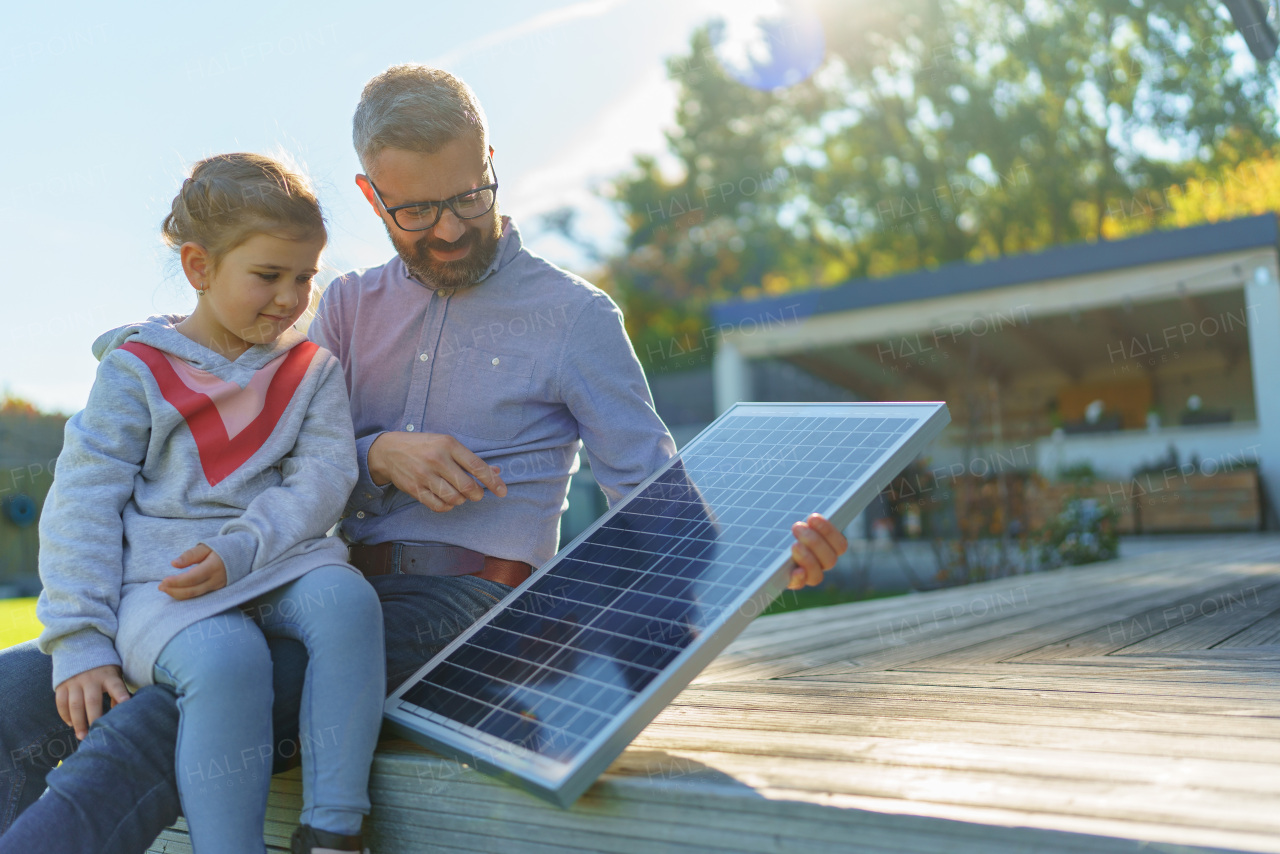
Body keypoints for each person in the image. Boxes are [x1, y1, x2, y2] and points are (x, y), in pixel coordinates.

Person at [0, 66, 849, 854]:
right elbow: (242, 405)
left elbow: (655, 497)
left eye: (468, 197)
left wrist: (766, 554)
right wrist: (379, 455)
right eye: (415, 211)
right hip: (301, 582)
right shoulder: (338, 307)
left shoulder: (574, 316)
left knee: (164, 717)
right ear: (372, 197)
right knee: (15, 695)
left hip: (468, 610)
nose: (448, 229)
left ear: (491, 164)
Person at [9, 153, 386, 854]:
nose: (290, 298)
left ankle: (335, 828)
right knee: (227, 660)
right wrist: (81, 639)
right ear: (199, 268)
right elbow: (82, 505)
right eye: (267, 276)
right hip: (164, 586)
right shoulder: (136, 371)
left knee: (347, 600)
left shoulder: (311, 371)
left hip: (276, 561)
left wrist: (243, 545)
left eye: (304, 277)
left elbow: (324, 479)